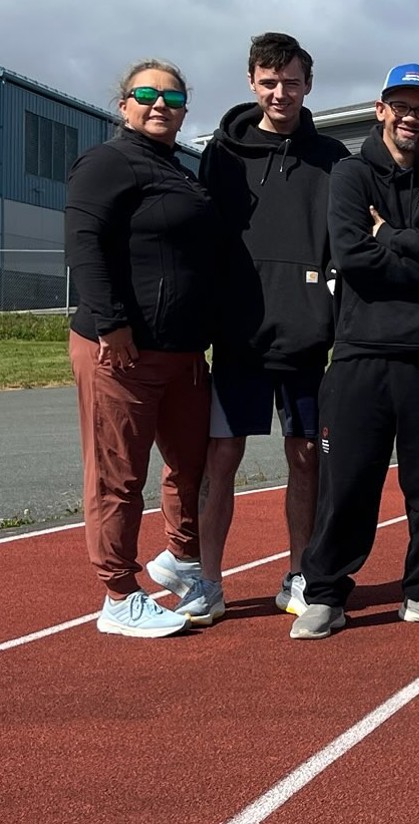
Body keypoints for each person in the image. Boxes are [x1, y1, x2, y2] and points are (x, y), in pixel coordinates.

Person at [291, 63, 419, 640]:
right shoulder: (351, 175)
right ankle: (325, 593)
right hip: (359, 358)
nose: (412, 117)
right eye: (402, 106)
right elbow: (352, 258)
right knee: (347, 485)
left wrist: (391, 238)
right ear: (381, 110)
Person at [196, 33, 348, 623]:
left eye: (291, 81)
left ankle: (300, 573)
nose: (280, 92)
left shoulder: (333, 157)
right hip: (238, 335)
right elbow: (204, 240)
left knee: (307, 456)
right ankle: (208, 580)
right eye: (269, 81)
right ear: (251, 82)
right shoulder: (221, 154)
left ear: (308, 85)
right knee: (221, 457)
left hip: (309, 336)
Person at [65, 59, 218, 637]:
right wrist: (110, 324)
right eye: (146, 94)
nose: (160, 104)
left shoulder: (179, 169)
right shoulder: (107, 162)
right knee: (118, 476)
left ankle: (180, 561)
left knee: (191, 464)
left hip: (183, 354)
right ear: (123, 104)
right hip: (122, 352)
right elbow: (83, 242)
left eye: (172, 97)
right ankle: (118, 594)